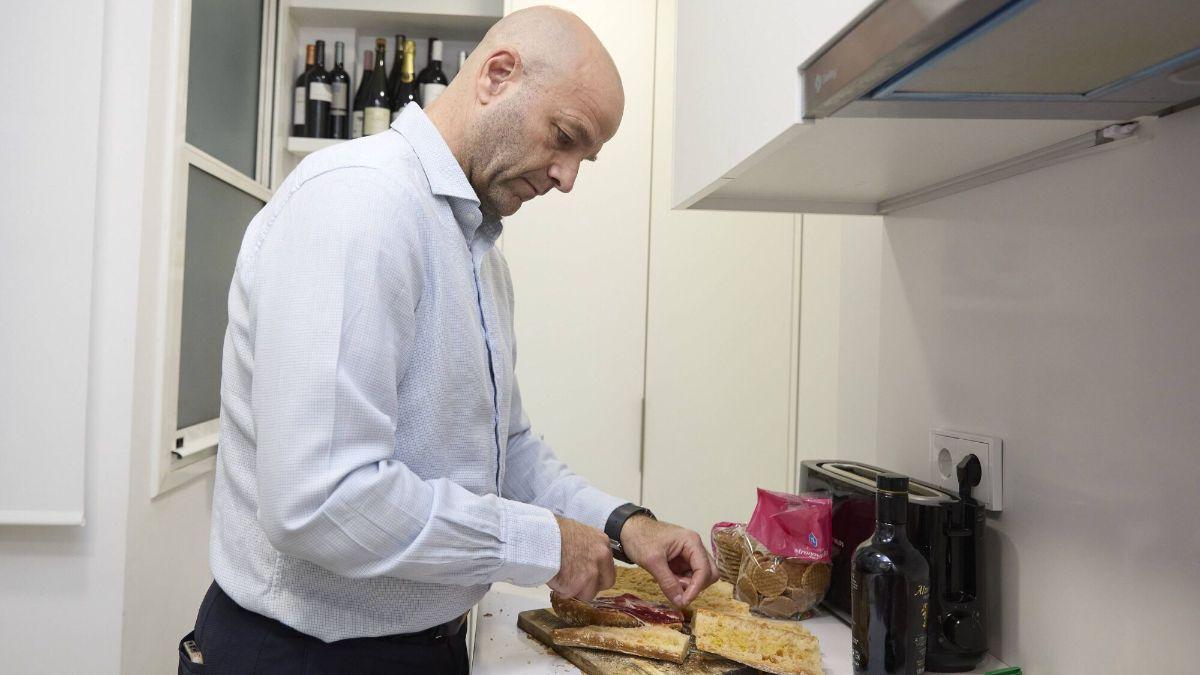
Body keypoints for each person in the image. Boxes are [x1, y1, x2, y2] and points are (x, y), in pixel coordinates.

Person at [178, 6, 717, 674]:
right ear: (497, 75)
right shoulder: (359, 205)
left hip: (423, 648)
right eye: (565, 137)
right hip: (303, 658)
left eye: (585, 157)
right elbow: (320, 500)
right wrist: (545, 541)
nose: (568, 177)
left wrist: (627, 525)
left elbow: (507, 450)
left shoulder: (479, 254)